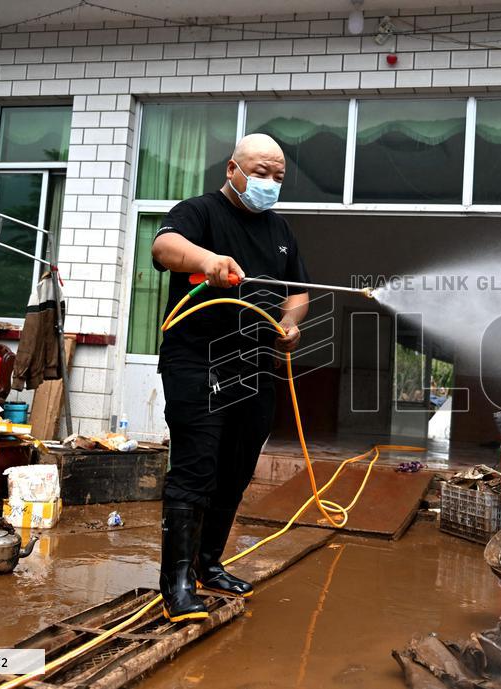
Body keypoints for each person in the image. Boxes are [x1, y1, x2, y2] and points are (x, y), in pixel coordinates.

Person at [151, 134, 310, 622]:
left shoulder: (280, 230)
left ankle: (208, 562)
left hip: (257, 366)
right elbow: (164, 247)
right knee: (196, 468)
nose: (268, 183)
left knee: (235, 471)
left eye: (277, 177)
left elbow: (297, 291)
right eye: (260, 172)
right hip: (198, 361)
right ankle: (176, 583)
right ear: (232, 169)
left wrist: (292, 323)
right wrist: (208, 262)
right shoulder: (199, 213)